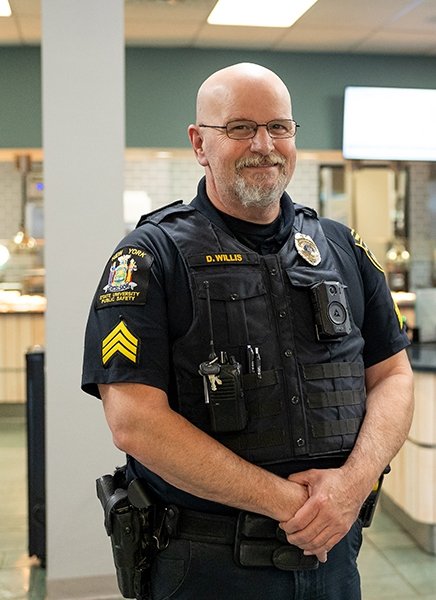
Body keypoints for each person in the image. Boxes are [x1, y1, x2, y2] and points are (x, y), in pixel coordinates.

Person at [82, 62, 414, 600]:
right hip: (207, 566)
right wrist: (291, 504)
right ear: (199, 143)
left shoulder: (342, 249)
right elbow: (134, 421)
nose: (265, 144)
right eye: (240, 128)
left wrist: (350, 489)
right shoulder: (150, 258)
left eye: (279, 127)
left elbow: (394, 375)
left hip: (333, 559)